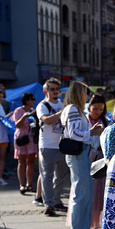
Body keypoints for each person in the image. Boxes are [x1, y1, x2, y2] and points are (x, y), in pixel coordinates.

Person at [61, 81, 103, 229]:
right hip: (78, 154)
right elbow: (74, 133)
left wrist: (91, 133)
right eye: (85, 92)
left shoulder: (75, 109)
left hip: (81, 153)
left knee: (85, 193)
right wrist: (91, 132)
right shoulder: (72, 109)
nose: (86, 95)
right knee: (81, 193)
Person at [66, 94, 109, 229]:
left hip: (100, 157)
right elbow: (77, 134)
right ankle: (83, 227)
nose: (97, 111)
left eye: (100, 109)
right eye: (95, 108)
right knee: (84, 192)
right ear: (89, 107)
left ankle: (95, 225)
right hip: (87, 155)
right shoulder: (84, 119)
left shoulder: (106, 121)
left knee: (98, 194)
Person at [38, 77, 69, 216]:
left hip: (62, 145)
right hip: (47, 145)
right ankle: (48, 204)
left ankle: (57, 201)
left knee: (60, 176)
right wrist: (61, 113)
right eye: (52, 89)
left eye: (57, 89)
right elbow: (46, 120)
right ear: (46, 91)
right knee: (47, 176)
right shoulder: (42, 105)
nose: (55, 92)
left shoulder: (63, 104)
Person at [12, 93, 38, 194]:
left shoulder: (33, 111)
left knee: (30, 162)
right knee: (21, 161)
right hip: (21, 137)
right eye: (32, 99)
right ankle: (22, 185)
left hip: (31, 138)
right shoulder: (18, 110)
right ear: (26, 100)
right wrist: (24, 117)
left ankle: (29, 184)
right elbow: (17, 125)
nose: (33, 101)